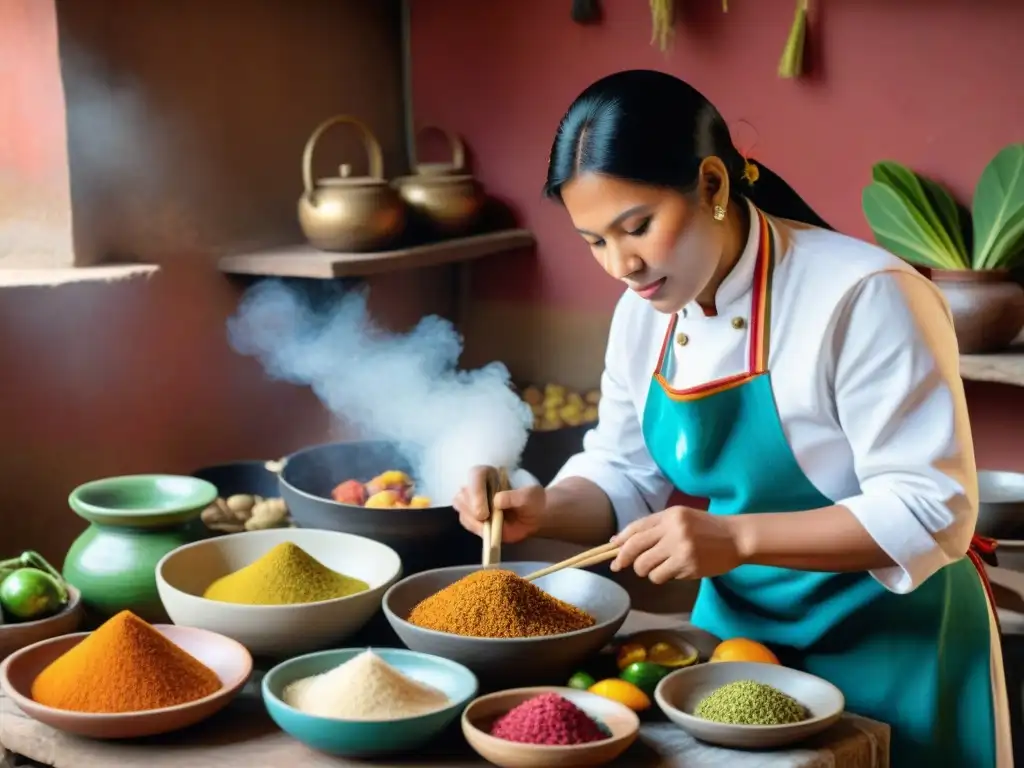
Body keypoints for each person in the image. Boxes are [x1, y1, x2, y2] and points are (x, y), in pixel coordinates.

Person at [453, 70, 1011, 765]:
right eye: (594, 241)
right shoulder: (642, 313)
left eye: (637, 227)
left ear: (713, 185)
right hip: (738, 649)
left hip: (894, 643)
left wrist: (734, 537)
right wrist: (542, 505)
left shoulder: (866, 296)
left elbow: (934, 511)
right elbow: (624, 471)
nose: (621, 265)